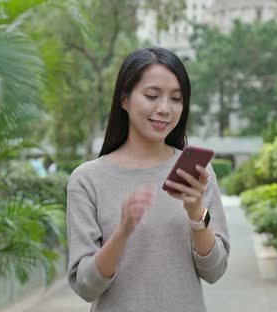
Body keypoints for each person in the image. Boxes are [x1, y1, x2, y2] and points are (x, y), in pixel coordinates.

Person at [66, 47, 230, 312]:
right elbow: (85, 286)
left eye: (176, 99)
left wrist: (196, 212)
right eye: (152, 96)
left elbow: (215, 270)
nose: (165, 109)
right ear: (124, 99)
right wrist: (122, 232)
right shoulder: (87, 180)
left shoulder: (196, 174)